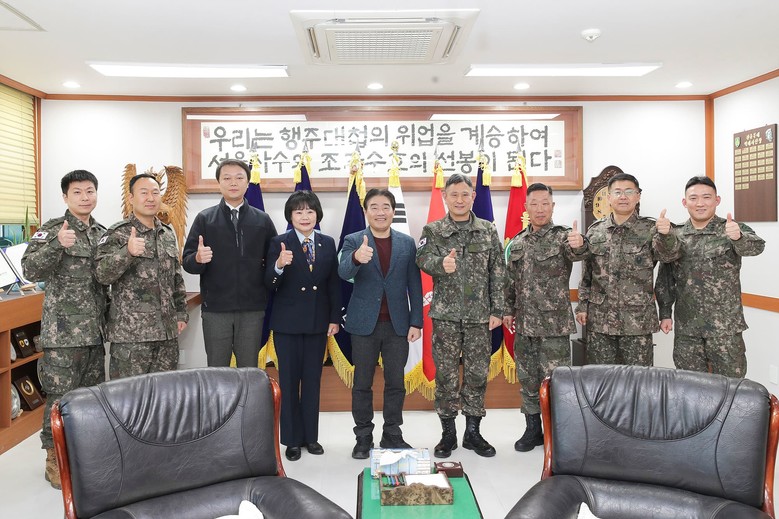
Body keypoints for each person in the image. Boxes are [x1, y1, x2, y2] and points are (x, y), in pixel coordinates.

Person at [21, 170, 107, 489]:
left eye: (90, 191)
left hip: (94, 334)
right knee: (59, 399)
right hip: (63, 335)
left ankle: (84, 456)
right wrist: (57, 245)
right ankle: (53, 459)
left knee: (90, 399)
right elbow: (29, 269)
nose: (85, 197)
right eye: (77, 192)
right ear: (65, 197)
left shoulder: (102, 233)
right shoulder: (52, 229)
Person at [416, 173, 506, 458]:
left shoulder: (487, 230)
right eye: (453, 194)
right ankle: (448, 434)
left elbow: (498, 271)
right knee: (446, 375)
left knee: (477, 374)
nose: (459, 200)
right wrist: (440, 264)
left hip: (480, 317)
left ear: (473, 197)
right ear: (445, 197)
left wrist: (498, 310)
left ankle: (473, 432)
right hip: (446, 316)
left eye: (464, 194)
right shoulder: (433, 230)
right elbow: (422, 258)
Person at [502, 183, 589, 452]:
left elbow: (578, 252)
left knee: (556, 381)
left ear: (553, 206)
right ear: (526, 207)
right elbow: (510, 281)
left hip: (554, 326)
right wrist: (508, 310)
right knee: (528, 380)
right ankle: (533, 430)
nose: (540, 209)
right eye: (534, 204)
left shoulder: (564, 237)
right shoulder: (517, 242)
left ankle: (558, 433)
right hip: (525, 324)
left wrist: (579, 243)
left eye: (545, 203)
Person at [339, 188, 423, 459]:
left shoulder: (406, 243)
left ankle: (392, 434)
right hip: (364, 324)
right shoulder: (354, 240)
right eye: (374, 207)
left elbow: (414, 283)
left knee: (395, 383)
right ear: (366, 212)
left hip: (398, 325)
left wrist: (416, 321)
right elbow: (343, 272)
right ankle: (363, 437)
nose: (380, 212)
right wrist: (356, 258)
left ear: (393, 211)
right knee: (362, 383)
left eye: (385, 207)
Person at [656, 176, 765, 377]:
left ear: (717, 200)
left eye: (706, 197)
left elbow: (757, 247)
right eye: (693, 198)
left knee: (731, 386)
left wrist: (738, 237)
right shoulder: (675, 235)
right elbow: (666, 279)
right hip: (688, 330)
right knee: (690, 386)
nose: (700, 203)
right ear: (684, 202)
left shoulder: (731, 228)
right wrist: (664, 312)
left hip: (725, 330)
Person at [265, 191, 340, 461]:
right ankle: (292, 440)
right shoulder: (279, 243)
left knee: (312, 382)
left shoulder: (327, 243)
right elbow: (268, 283)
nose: (305, 216)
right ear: (290, 216)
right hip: (287, 325)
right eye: (299, 212)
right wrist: (278, 266)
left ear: (317, 214)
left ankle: (311, 437)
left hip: (317, 323)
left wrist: (334, 318)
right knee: (288, 381)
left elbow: (333, 284)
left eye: (310, 211)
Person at [575, 172, 680, 366]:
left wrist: (666, 236)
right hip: (601, 322)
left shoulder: (651, 229)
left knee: (638, 379)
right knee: (601, 379)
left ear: (638, 196)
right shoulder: (595, 230)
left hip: (637, 322)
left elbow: (669, 258)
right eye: (617, 192)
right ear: (609, 197)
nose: (623, 196)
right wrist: (582, 305)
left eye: (629, 192)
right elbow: (588, 273)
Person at [182, 159, 277, 367]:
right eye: (227, 178)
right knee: (217, 368)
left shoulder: (262, 220)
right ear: (219, 183)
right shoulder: (205, 219)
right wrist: (197, 259)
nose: (233, 182)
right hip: (216, 309)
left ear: (247, 183)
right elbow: (187, 262)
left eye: (239, 177)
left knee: (248, 370)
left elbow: (274, 262)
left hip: (252, 309)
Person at [95, 173, 188, 379]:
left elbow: (176, 278)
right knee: (128, 396)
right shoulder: (118, 233)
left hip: (166, 337)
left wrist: (181, 313)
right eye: (144, 193)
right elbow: (101, 275)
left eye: (155, 193)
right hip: (131, 338)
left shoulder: (167, 233)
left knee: (165, 394)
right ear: (131, 198)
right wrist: (127, 253)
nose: (150, 198)